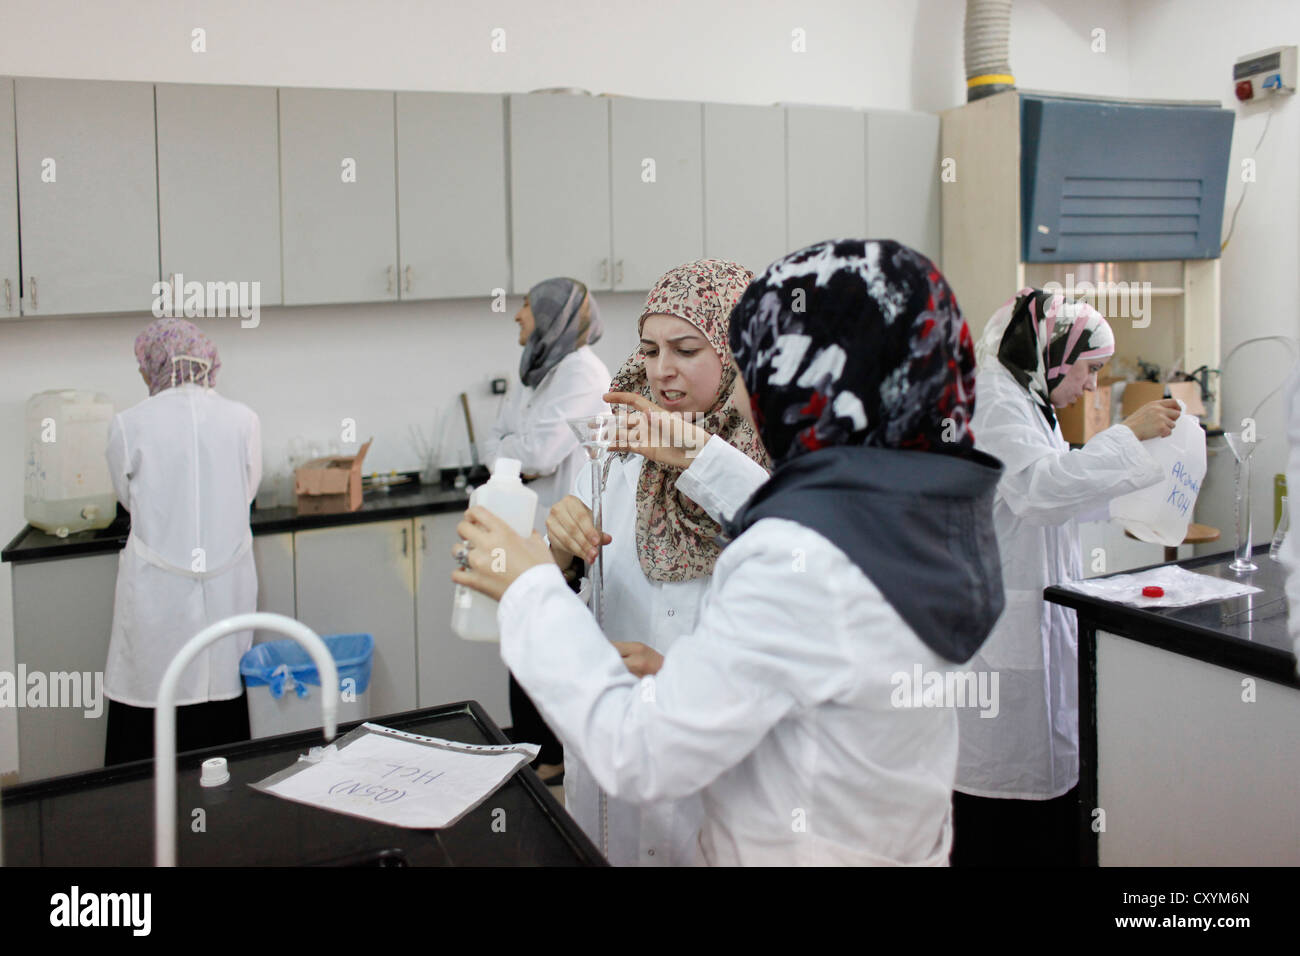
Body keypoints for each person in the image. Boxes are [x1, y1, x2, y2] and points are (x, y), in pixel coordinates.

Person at [453, 239, 1006, 865]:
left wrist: (528, 589)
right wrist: (559, 553)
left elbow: (644, 752)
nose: (747, 392)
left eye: (752, 365)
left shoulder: (808, 554)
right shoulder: (904, 507)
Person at [543, 258, 771, 865]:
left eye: (687, 349)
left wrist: (696, 456)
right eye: (648, 349)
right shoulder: (619, 444)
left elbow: (791, 549)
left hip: (719, 777)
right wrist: (562, 550)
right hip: (611, 761)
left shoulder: (781, 460)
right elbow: (583, 584)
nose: (661, 370)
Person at [951, 287, 1179, 866]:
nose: (1093, 387)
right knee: (1000, 816)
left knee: (1044, 796)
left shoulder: (1025, 397)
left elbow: (1051, 488)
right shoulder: (992, 402)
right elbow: (1038, 490)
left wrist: (1140, 495)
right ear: (1055, 351)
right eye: (1091, 369)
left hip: (1029, 618)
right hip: (999, 636)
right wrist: (1126, 435)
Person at [103, 318, 261, 765]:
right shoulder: (243, 419)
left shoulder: (128, 424)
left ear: (153, 364)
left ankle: (144, 813)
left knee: (153, 691)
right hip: (226, 580)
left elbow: (125, 495)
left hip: (157, 588)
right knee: (219, 693)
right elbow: (247, 491)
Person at [480, 278, 611, 784]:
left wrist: (510, 454)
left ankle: (551, 759)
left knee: (549, 644)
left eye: (528, 307)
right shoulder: (535, 373)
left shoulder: (581, 372)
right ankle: (536, 753)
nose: (517, 316)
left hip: (565, 535)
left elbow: (534, 455)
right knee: (521, 639)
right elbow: (494, 443)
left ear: (554, 317)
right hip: (529, 528)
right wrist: (510, 454)